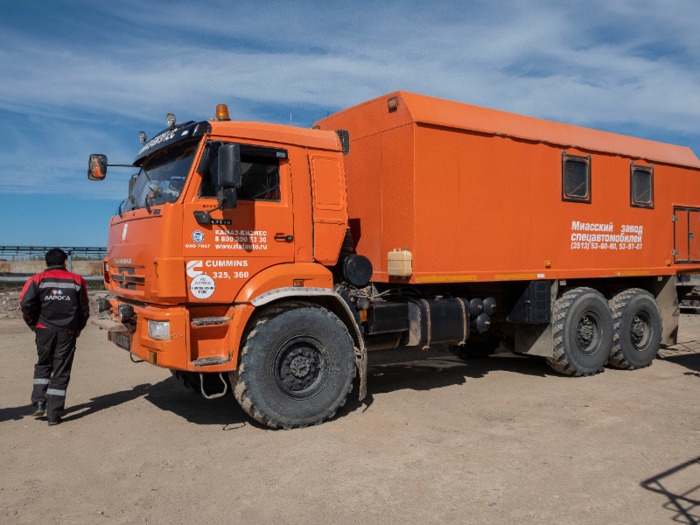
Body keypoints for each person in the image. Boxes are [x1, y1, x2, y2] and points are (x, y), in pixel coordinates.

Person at [19, 248, 90, 426]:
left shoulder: (36, 280)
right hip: (68, 332)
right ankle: (54, 414)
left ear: (46, 263)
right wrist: (79, 327)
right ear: (65, 261)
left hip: (43, 329)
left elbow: (25, 304)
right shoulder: (77, 280)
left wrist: (34, 323)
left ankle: (38, 404)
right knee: (61, 370)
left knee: (43, 365)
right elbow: (84, 309)